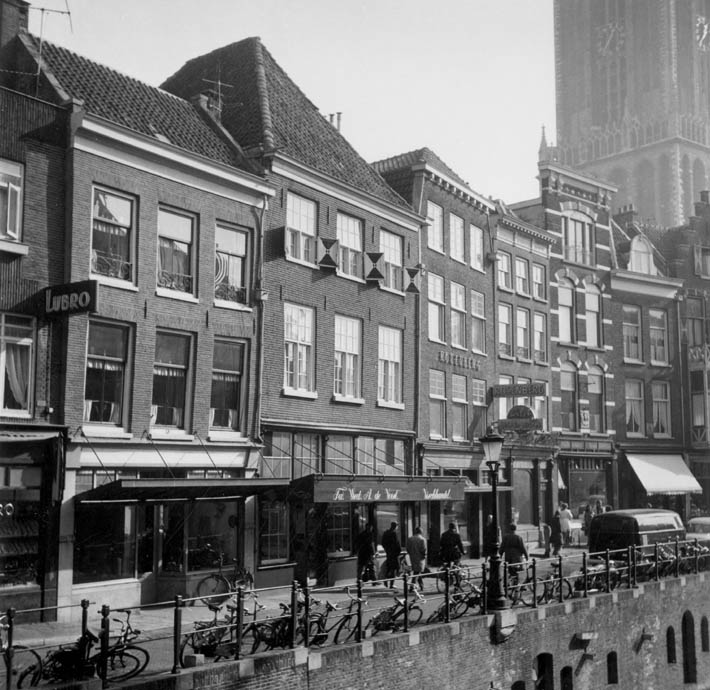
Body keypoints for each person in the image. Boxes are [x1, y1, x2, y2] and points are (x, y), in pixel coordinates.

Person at [406, 526, 427, 590]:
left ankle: (421, 585)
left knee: (417, 571)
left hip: (412, 557)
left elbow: (408, 548)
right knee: (417, 572)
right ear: (421, 532)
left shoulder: (410, 539)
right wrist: (424, 556)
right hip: (420, 557)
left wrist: (411, 553)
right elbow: (423, 549)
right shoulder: (422, 539)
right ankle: (412, 586)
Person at [381, 521, 401, 588]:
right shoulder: (394, 533)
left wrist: (387, 549)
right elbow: (397, 544)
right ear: (395, 526)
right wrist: (398, 551)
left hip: (388, 553)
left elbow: (383, 543)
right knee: (394, 569)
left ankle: (385, 580)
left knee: (389, 567)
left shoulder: (386, 533)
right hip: (394, 554)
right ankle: (392, 584)